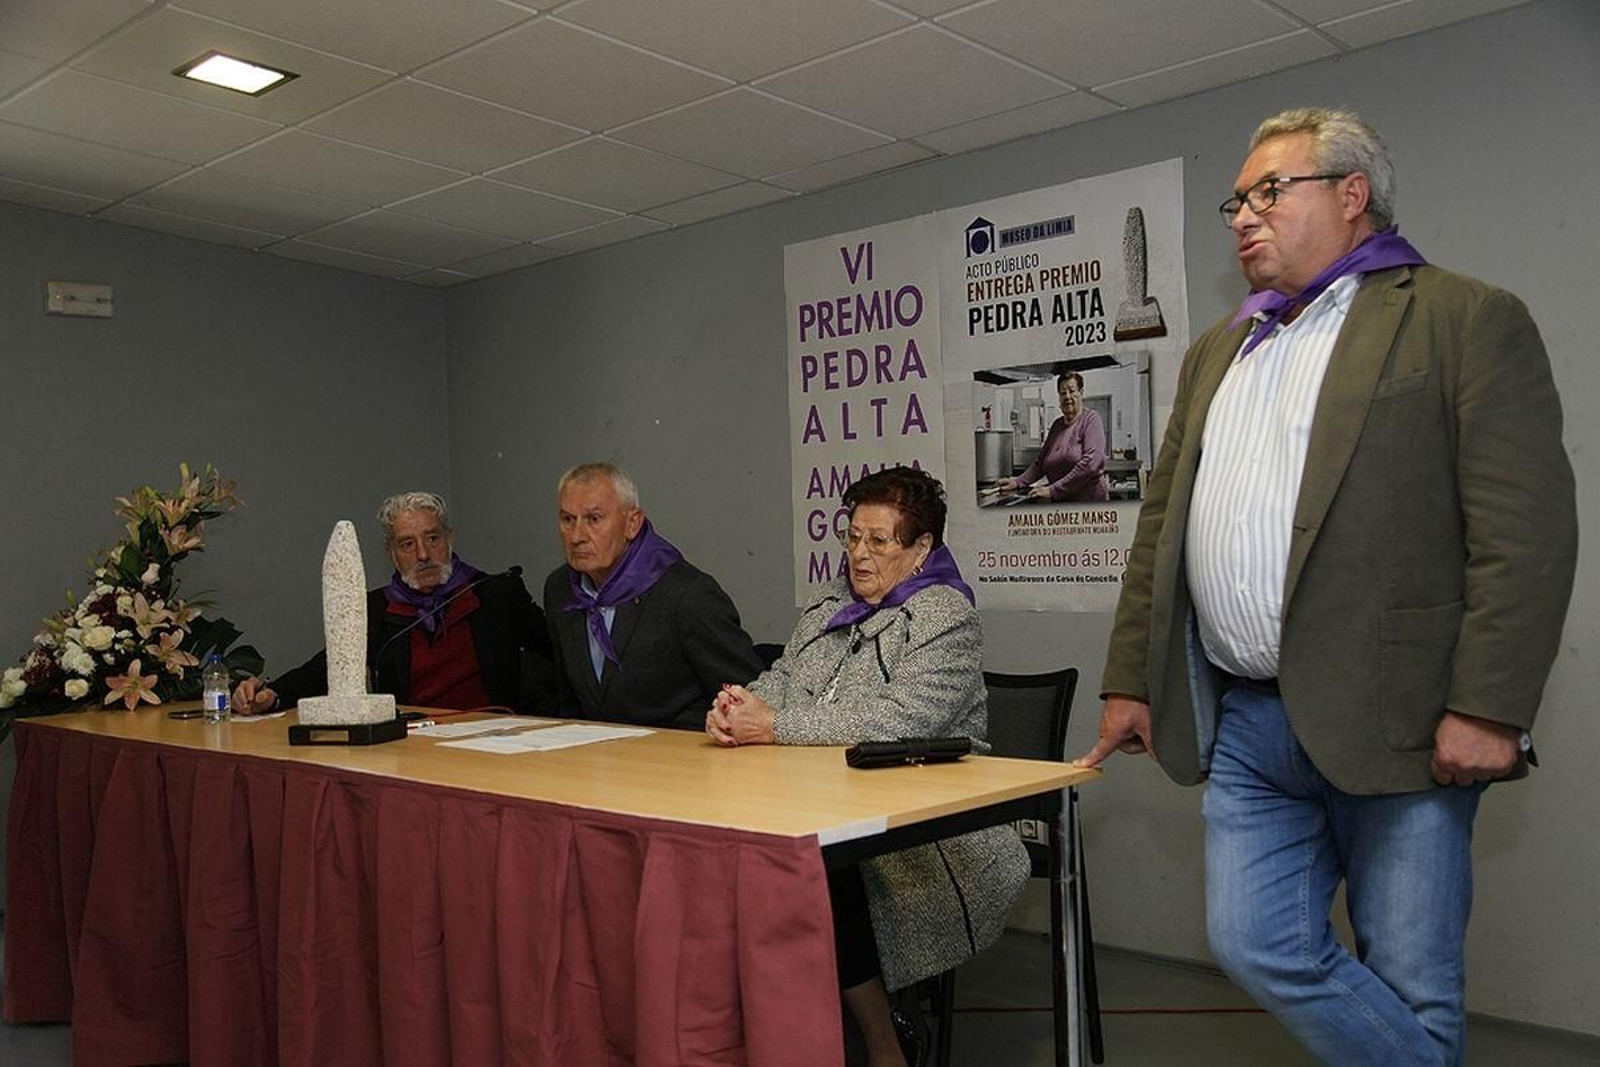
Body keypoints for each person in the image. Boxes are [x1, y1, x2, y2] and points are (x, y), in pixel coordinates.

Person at [1076, 108, 1577, 1066]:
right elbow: (1162, 530)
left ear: (1353, 197)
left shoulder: (1463, 317)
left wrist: (1491, 704)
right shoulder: (1218, 352)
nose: (1242, 215)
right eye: (1237, 199)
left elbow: (1529, 535)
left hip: (1405, 719)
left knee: (1413, 979)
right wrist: (1132, 675)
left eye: (1271, 190)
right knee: (1254, 941)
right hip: (1248, 724)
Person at [709, 467, 1029, 1067]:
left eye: (878, 541)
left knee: (822, 868)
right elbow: (783, 677)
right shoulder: (830, 602)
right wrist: (738, 708)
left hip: (931, 831)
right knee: (764, 856)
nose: (858, 554)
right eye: (853, 536)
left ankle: (882, 1041)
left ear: (920, 549)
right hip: (818, 798)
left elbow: (894, 723)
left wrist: (773, 727)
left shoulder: (946, 617)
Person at [232, 492, 551, 714]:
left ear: (450, 539)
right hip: (412, 746)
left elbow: (561, 655)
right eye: (407, 544)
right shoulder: (378, 609)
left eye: (433, 539)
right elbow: (326, 668)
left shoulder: (496, 593)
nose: (424, 555)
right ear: (391, 554)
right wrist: (272, 695)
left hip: (495, 743)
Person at [544, 462, 763, 730]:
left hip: (683, 759)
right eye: (567, 519)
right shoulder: (560, 589)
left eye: (594, 519)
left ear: (632, 523)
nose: (577, 536)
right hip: (597, 760)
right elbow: (569, 700)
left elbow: (749, 700)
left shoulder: (686, 594)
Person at [997, 371, 1109, 502]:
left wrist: (1053, 490)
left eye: (1072, 391)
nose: (1067, 396)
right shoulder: (1057, 425)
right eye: (1063, 393)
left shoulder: (1091, 419)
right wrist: (1018, 482)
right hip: (1062, 505)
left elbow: (1091, 464)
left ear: (1081, 392)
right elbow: (1040, 463)